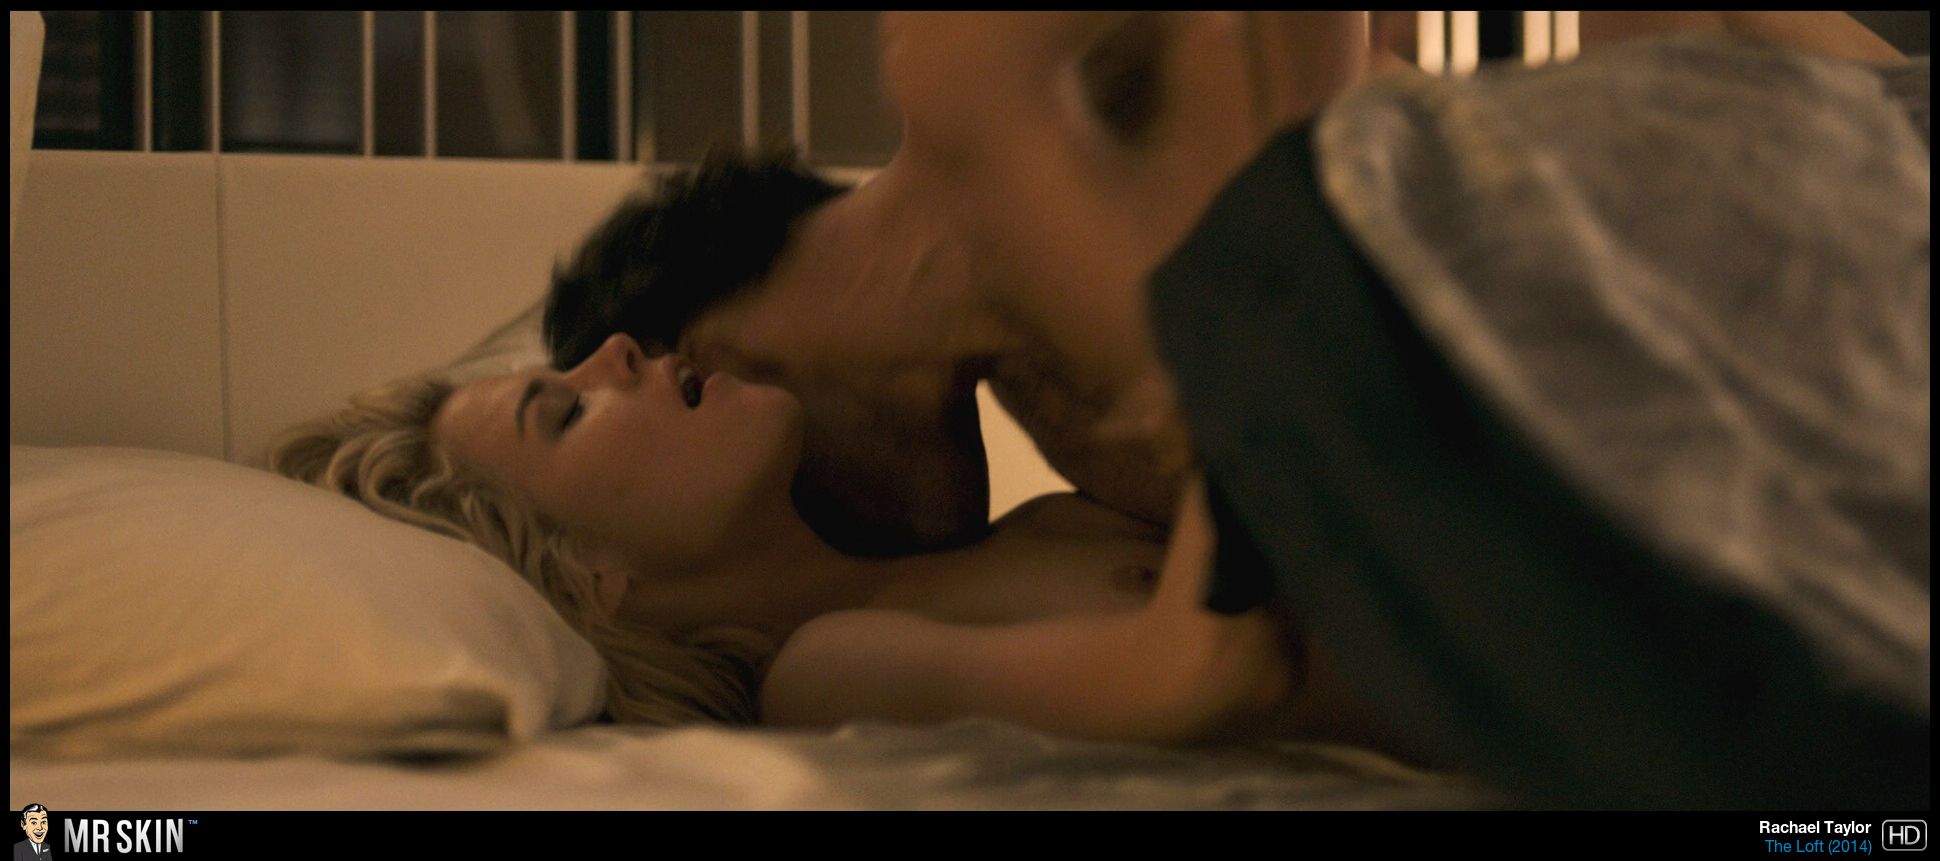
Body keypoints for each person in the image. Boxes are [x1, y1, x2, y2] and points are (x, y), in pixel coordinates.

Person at [541, 12, 1927, 808]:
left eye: (638, 372)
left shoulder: (1031, 129)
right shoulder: (1072, 459)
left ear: (713, 351)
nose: (620, 376)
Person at [271, 338, 1390, 748]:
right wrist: (1242, 355)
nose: (616, 350)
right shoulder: (825, 669)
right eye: (563, 411)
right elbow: (1196, 670)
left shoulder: (1034, 524)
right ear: (592, 579)